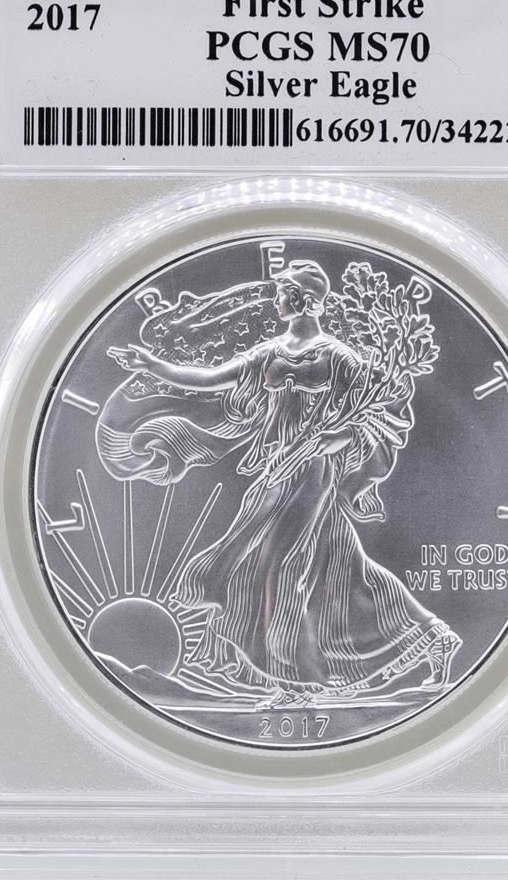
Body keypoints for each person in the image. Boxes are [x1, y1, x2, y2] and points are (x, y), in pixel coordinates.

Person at [106, 260, 460, 703]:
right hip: (276, 472)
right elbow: (212, 379)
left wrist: (336, 438)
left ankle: (297, 682)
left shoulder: (338, 357)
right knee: (342, 570)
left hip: (314, 474)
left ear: (304, 299)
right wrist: (154, 365)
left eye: (282, 293)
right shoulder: (268, 353)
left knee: (280, 567)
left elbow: (374, 416)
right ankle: (433, 638)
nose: (275, 301)